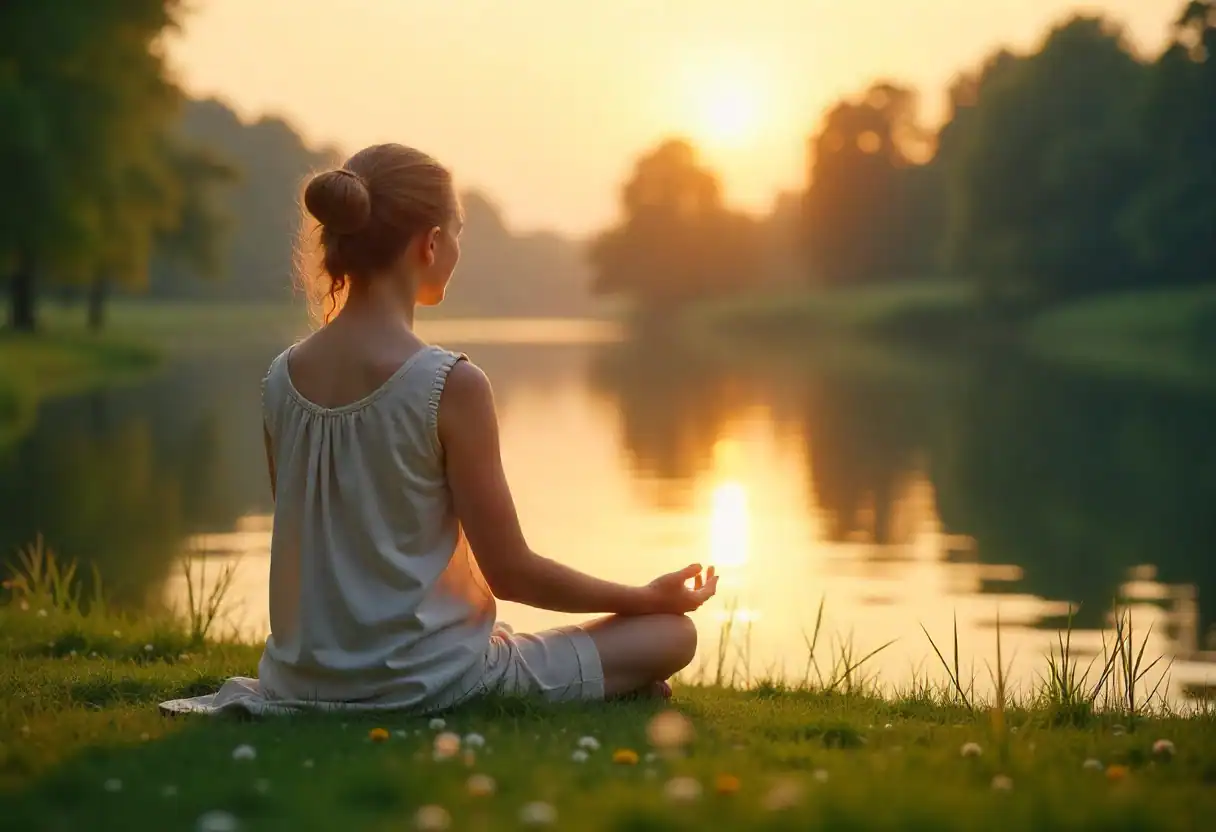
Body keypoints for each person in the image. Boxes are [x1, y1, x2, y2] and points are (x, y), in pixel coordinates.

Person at [160, 143, 717, 717]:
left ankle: (595, 680)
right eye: (457, 232)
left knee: (567, 639)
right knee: (672, 635)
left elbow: (316, 553)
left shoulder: (280, 378)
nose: (457, 248)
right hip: (431, 682)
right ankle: (607, 681)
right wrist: (644, 597)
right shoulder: (449, 384)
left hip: (301, 678)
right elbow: (511, 572)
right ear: (429, 244)